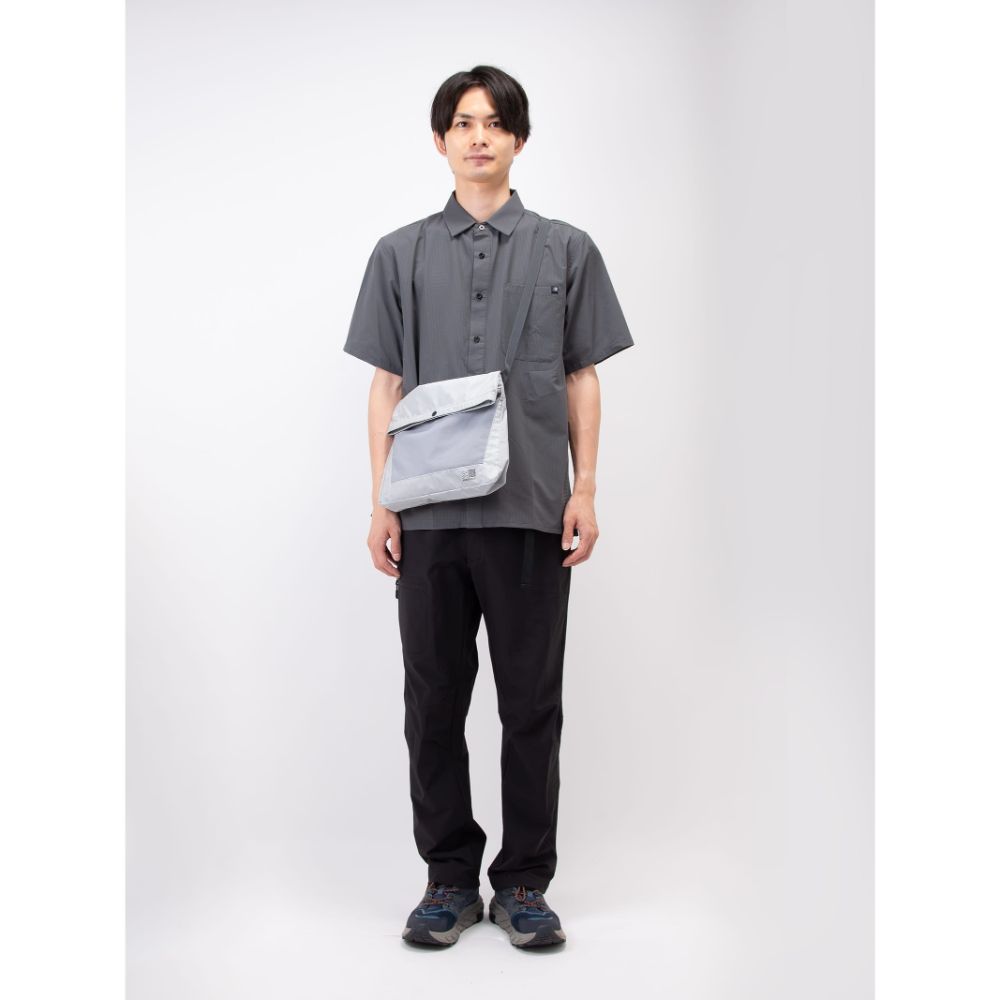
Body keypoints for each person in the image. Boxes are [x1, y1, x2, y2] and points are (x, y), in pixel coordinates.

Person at [343, 65, 634, 949]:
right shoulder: (398, 254)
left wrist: (585, 487)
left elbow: (581, 375)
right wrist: (382, 502)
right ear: (440, 140)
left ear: (518, 139)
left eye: (496, 122)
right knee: (432, 702)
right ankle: (447, 879)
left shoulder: (566, 249)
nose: (479, 137)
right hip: (427, 516)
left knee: (530, 705)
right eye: (464, 123)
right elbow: (386, 383)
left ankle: (524, 884)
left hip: (530, 508)